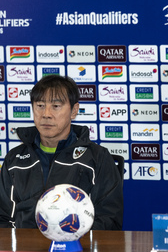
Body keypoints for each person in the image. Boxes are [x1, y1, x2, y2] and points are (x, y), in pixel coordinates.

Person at [0, 75, 123, 230]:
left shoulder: (97, 158)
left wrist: (71, 240)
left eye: (56, 106)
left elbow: (109, 220)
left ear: (74, 111)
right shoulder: (14, 160)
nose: (46, 114)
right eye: (39, 105)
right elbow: (3, 218)